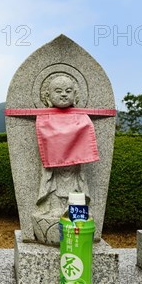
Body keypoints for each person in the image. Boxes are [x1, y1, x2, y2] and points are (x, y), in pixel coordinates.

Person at [34, 74, 91, 244]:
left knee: (75, 186)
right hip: (54, 164)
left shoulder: (82, 117)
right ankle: (54, 208)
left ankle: (73, 210)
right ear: (47, 97)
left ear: (76, 95)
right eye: (58, 91)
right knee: (53, 184)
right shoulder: (44, 117)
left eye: (68, 91)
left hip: (74, 164)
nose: (64, 94)